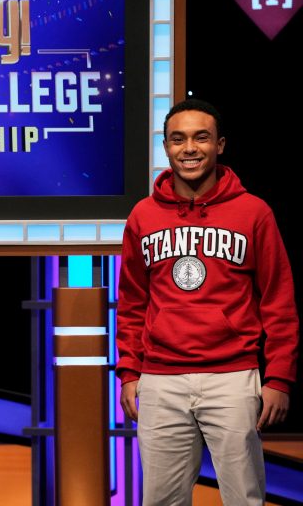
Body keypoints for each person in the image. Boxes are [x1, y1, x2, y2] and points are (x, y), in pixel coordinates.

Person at [116, 99, 299, 505]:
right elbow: (131, 303)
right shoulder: (143, 216)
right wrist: (129, 372)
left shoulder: (253, 213)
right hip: (161, 378)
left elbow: (279, 302)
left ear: (220, 145)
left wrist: (279, 379)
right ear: (165, 147)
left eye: (201, 137)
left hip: (233, 376)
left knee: (244, 499)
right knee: (162, 500)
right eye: (178, 139)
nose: (190, 148)